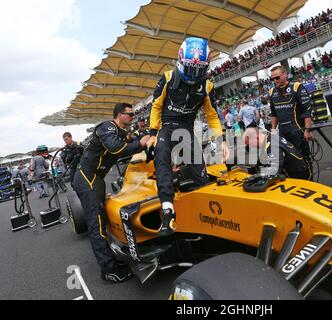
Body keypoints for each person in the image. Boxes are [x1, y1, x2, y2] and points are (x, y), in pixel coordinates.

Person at [147, 37, 229, 236]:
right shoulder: (167, 78)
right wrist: (153, 133)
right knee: (162, 160)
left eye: (199, 69)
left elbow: (211, 115)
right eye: (190, 67)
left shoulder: (207, 86)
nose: (194, 73)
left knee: (199, 170)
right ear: (180, 61)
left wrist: (221, 139)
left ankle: (209, 213)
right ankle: (167, 213)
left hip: (187, 130)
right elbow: (156, 106)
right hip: (166, 128)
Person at [73, 103, 151, 283]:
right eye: (129, 114)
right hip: (87, 177)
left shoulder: (121, 132)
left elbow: (132, 142)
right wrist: (140, 142)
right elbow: (117, 148)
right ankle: (108, 271)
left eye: (133, 114)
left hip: (96, 178)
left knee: (103, 220)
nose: (132, 117)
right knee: (96, 225)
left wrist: (146, 136)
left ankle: (111, 258)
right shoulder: (106, 127)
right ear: (119, 115)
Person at [269, 65, 314, 172]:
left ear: (285, 74)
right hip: (283, 132)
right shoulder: (272, 92)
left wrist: (307, 130)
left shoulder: (297, 87)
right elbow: (274, 114)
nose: (275, 80)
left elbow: (306, 110)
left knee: (304, 158)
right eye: (272, 79)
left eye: (277, 77)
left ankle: (309, 181)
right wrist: (273, 131)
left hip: (297, 131)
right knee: (288, 160)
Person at [243, 127, 312, 180]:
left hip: (299, 179)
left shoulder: (272, 146)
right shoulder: (269, 137)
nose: (250, 147)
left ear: (256, 138)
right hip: (297, 171)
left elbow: (274, 171)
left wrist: (255, 177)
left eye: (249, 144)